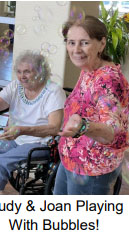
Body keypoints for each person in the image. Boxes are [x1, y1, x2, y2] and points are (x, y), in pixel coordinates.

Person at [54, 15, 129, 195]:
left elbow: (113, 132)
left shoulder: (107, 81)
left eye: (84, 43)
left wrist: (83, 126)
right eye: (71, 42)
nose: (76, 49)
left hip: (91, 169)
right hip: (71, 160)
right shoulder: (89, 69)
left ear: (101, 44)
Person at [0, 50, 66, 195]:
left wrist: (21, 130)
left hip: (41, 143)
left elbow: (54, 128)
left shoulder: (53, 92)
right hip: (16, 139)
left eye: (27, 72)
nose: (21, 76)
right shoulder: (15, 86)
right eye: (18, 71)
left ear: (40, 72)